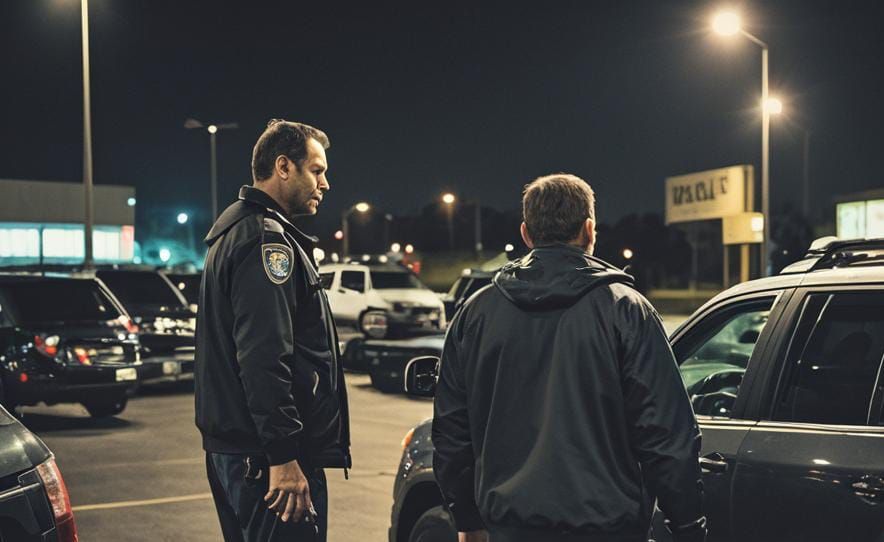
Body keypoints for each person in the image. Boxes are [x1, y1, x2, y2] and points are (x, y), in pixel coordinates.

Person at [432, 174, 706, 542]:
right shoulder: (625, 310)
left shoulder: (476, 313)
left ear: (526, 234)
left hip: (509, 529)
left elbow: (452, 431)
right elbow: (666, 434)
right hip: (608, 528)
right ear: (589, 230)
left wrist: (466, 518)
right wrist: (687, 525)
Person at [195, 119, 351, 542]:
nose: (326, 183)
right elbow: (264, 357)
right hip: (267, 460)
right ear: (283, 167)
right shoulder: (268, 244)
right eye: (316, 170)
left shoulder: (232, 233)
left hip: (237, 452)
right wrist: (283, 456)